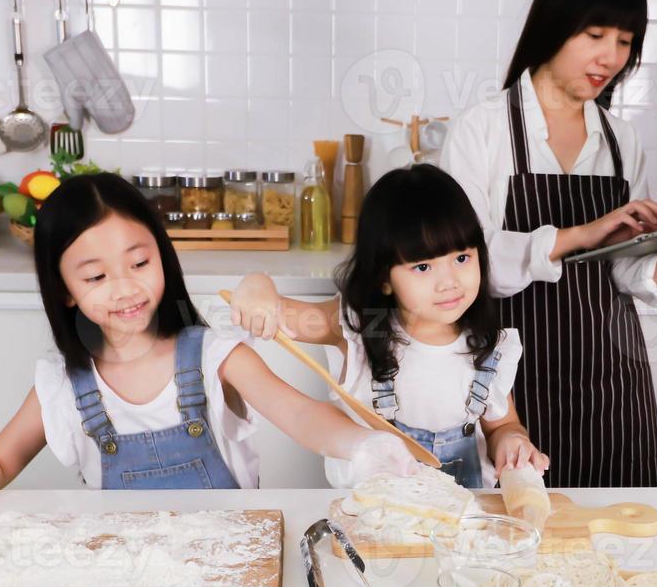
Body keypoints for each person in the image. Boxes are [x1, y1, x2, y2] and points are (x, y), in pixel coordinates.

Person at [441, 0, 657, 487]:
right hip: (511, 385)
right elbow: (468, 268)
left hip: (612, 381)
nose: (610, 56)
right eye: (595, 35)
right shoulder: (483, 129)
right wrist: (581, 233)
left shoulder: (619, 139)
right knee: (523, 538)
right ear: (554, 27)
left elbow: (628, 271)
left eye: (625, 42)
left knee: (619, 538)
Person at [0, 173, 418, 493]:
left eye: (139, 262)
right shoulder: (62, 383)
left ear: (162, 256)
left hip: (230, 564)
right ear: (64, 289)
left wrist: (362, 445)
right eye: (95, 277)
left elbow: (302, 413)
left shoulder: (213, 356)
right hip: (124, 583)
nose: (125, 287)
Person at [230, 164, 548, 490]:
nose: (449, 282)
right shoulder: (357, 327)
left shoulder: (489, 346)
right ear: (384, 278)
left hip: (461, 528)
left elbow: (501, 426)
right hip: (370, 525)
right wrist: (256, 285)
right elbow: (279, 310)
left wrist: (513, 443)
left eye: (462, 259)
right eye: (423, 267)